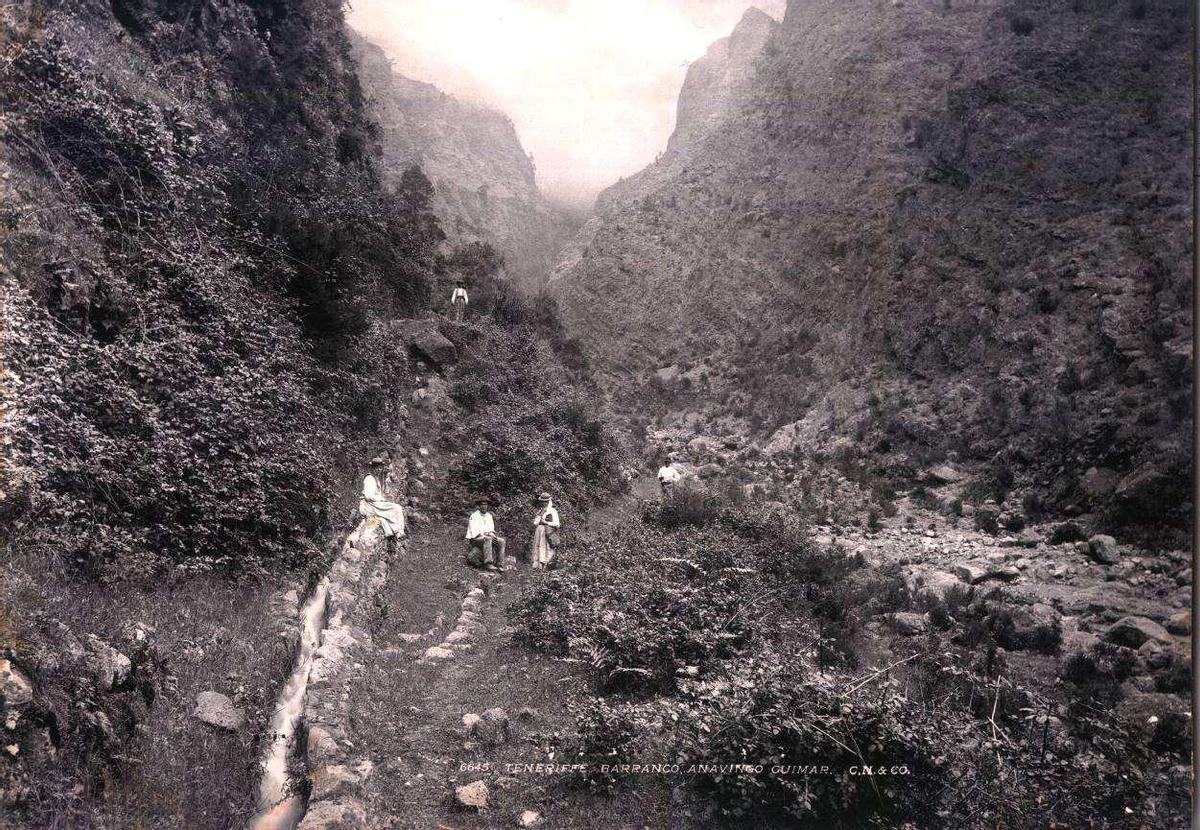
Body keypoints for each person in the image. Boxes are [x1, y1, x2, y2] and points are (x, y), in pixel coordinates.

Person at [359, 456, 405, 552]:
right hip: (369, 505)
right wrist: (381, 500)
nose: (378, 470)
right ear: (372, 468)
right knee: (396, 508)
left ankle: (395, 535)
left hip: (374, 503)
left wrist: (382, 499)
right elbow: (368, 496)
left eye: (380, 468)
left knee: (391, 512)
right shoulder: (369, 479)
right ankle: (399, 531)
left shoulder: (375, 478)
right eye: (376, 468)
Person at [465, 498, 506, 571]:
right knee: (488, 539)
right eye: (482, 505)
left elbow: (491, 529)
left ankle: (500, 564)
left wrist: (492, 534)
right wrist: (486, 535)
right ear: (479, 506)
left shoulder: (489, 516)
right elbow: (474, 531)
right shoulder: (474, 516)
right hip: (475, 539)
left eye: (486, 505)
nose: (484, 506)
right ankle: (488, 563)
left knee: (501, 541)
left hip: (486, 538)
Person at [529, 492, 561, 569]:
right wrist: (541, 514)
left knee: (546, 546)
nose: (544, 503)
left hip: (548, 531)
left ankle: (545, 563)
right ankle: (537, 563)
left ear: (548, 501)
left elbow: (557, 524)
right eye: (543, 502)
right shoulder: (540, 511)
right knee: (538, 545)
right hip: (539, 531)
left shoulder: (553, 511)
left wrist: (546, 522)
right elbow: (535, 523)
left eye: (546, 501)